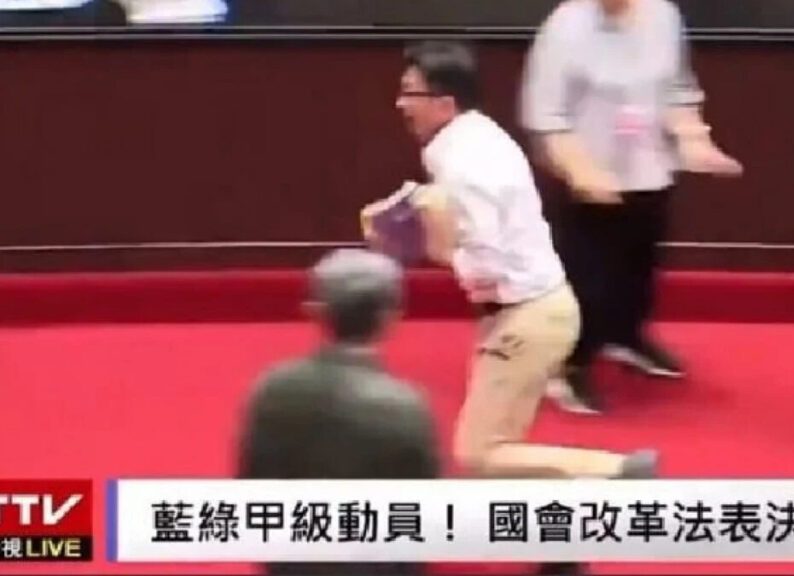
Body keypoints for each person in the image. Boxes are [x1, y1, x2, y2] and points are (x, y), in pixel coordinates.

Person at [362, 40, 657, 484]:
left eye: (410, 93)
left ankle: (619, 472)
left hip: (526, 317)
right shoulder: (472, 136)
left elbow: (488, 258)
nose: (400, 104)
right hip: (532, 311)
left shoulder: (463, 163)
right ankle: (574, 521)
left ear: (444, 103)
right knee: (504, 451)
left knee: (481, 453)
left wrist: (430, 245)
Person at [520, 0, 743, 413]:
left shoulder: (663, 15)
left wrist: (695, 142)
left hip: (650, 166)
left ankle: (625, 337)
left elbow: (677, 90)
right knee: (588, 278)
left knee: (638, 268)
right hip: (587, 175)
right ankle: (569, 365)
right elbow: (547, 115)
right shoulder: (565, 26)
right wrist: (581, 171)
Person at [237, 248, 438, 576]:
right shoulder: (407, 405)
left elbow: (252, 491)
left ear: (316, 311)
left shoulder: (271, 389)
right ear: (390, 316)